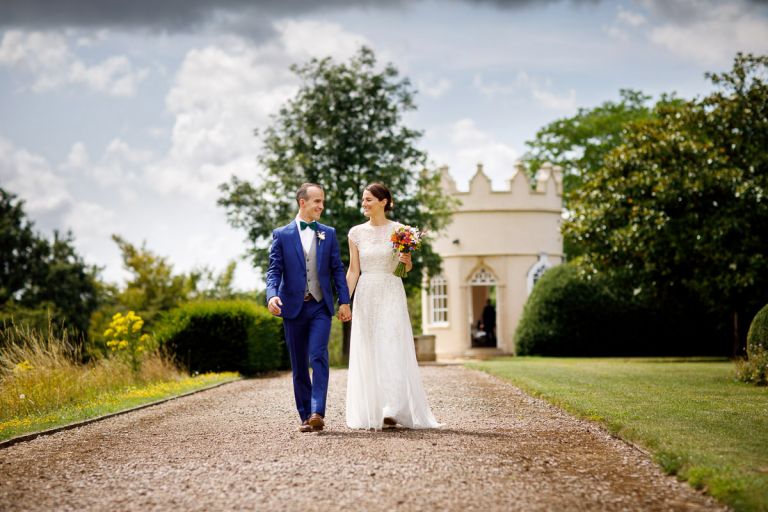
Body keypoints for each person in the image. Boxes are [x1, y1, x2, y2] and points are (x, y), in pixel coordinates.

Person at [345, 182, 440, 430]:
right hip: (366, 293)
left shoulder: (400, 231)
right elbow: (353, 270)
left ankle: (394, 408)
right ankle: (372, 408)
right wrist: (345, 300)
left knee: (391, 346)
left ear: (383, 202)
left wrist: (406, 261)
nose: (363, 204)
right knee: (369, 347)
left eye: (368, 199)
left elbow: (405, 269)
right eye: (363, 199)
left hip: (390, 290)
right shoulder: (355, 233)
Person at [266, 183, 352, 433]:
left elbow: (337, 269)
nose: (321, 206)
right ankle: (305, 416)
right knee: (300, 363)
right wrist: (271, 296)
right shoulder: (282, 235)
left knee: (318, 355)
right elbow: (274, 271)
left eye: (322, 201)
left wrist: (344, 301)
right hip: (292, 308)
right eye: (317, 201)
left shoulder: (329, 233)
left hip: (319, 307)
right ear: (302, 202)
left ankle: (317, 412)